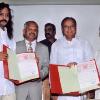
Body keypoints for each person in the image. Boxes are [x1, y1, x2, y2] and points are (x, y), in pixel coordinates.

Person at [50, 17, 94, 100]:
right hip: (63, 91)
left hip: (81, 89)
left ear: (76, 28)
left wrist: (91, 90)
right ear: (62, 29)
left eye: (72, 26)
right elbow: (52, 69)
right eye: (66, 26)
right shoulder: (56, 45)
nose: (69, 29)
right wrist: (53, 92)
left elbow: (91, 66)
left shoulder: (85, 43)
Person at [15, 21, 49, 100]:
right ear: (24, 31)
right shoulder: (15, 46)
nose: (32, 31)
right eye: (30, 29)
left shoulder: (44, 48)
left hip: (36, 89)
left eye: (35, 30)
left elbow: (46, 67)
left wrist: (38, 76)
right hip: (20, 89)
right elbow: (11, 66)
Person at [0, 2, 16, 100]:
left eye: (7, 15)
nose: (4, 17)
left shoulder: (11, 39)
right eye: (1, 14)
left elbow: (14, 61)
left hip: (9, 86)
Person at [40, 23, 57, 100]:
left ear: (54, 32)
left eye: (49, 29)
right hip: (45, 79)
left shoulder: (59, 44)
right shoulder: (40, 44)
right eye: (45, 30)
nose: (47, 32)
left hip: (57, 78)